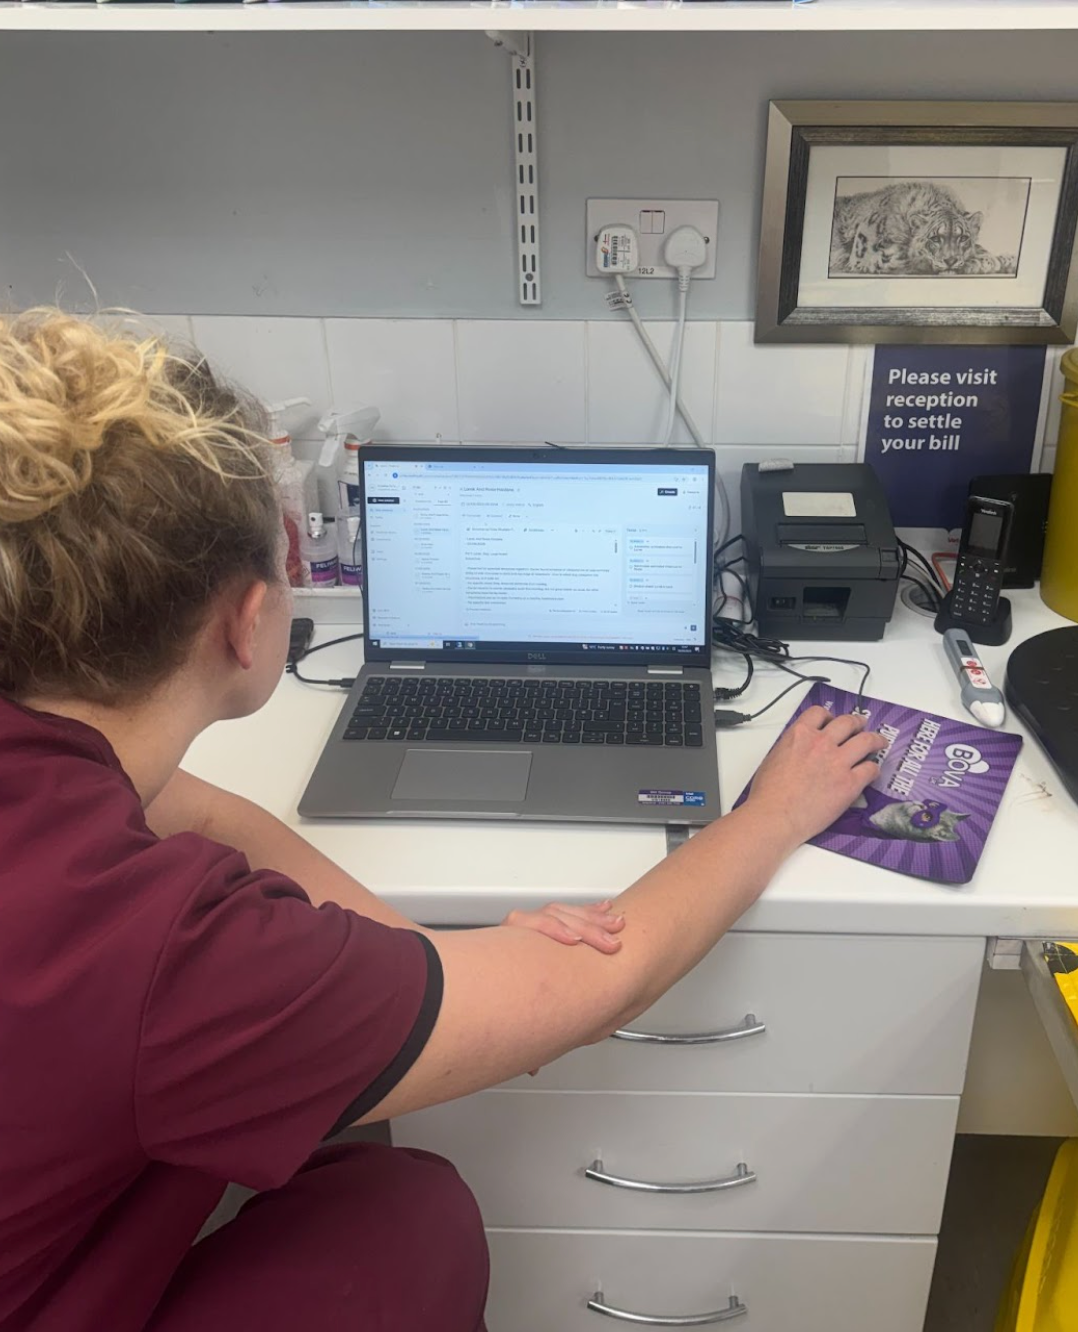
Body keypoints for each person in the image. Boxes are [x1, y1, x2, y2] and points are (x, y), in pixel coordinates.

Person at [0, 310, 885, 1332]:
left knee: (376, 1191)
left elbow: (184, 802)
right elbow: (592, 984)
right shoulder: (167, 955)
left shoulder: (61, 785)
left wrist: (408, 955)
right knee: (412, 1214)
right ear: (248, 622)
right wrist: (773, 813)